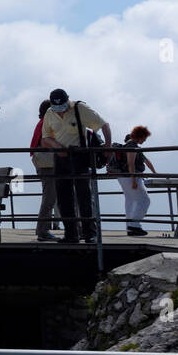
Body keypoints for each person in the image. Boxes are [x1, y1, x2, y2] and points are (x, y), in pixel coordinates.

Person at [40, 88, 110, 244]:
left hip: (79, 155)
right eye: (56, 107)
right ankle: (71, 235)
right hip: (61, 158)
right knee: (64, 199)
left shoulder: (80, 108)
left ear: (67, 101)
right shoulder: (49, 114)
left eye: (62, 106)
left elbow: (104, 125)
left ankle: (90, 234)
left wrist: (108, 147)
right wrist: (58, 147)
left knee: (83, 196)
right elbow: (45, 138)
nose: (60, 111)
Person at [29, 99, 63, 241]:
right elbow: (47, 141)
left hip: (43, 162)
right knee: (50, 196)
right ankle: (43, 231)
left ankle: (43, 230)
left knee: (50, 196)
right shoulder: (47, 122)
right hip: (47, 163)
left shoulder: (43, 122)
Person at [113, 126, 157, 236]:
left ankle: (130, 227)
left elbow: (146, 161)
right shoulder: (131, 146)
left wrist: (154, 172)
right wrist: (133, 180)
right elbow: (131, 164)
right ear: (140, 136)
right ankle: (134, 225)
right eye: (144, 138)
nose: (145, 140)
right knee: (144, 200)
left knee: (130, 201)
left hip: (124, 177)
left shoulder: (134, 146)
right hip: (130, 177)